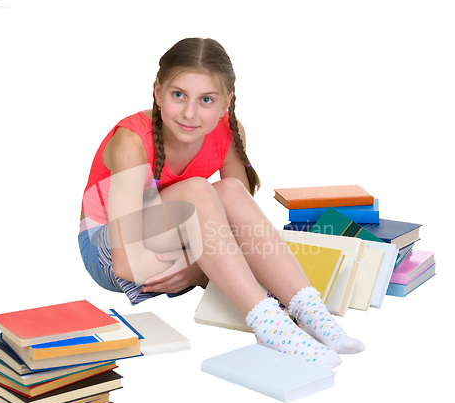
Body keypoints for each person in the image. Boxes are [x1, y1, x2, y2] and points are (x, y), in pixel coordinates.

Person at [79, 37, 365, 369]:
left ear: (225, 103)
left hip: (175, 244)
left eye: (206, 100)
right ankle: (270, 326)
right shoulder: (132, 142)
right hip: (113, 253)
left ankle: (309, 309)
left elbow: (236, 220)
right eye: (178, 95)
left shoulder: (229, 132)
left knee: (228, 190)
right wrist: (195, 267)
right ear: (157, 91)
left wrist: (195, 270)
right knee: (201, 189)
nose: (189, 113)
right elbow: (128, 264)